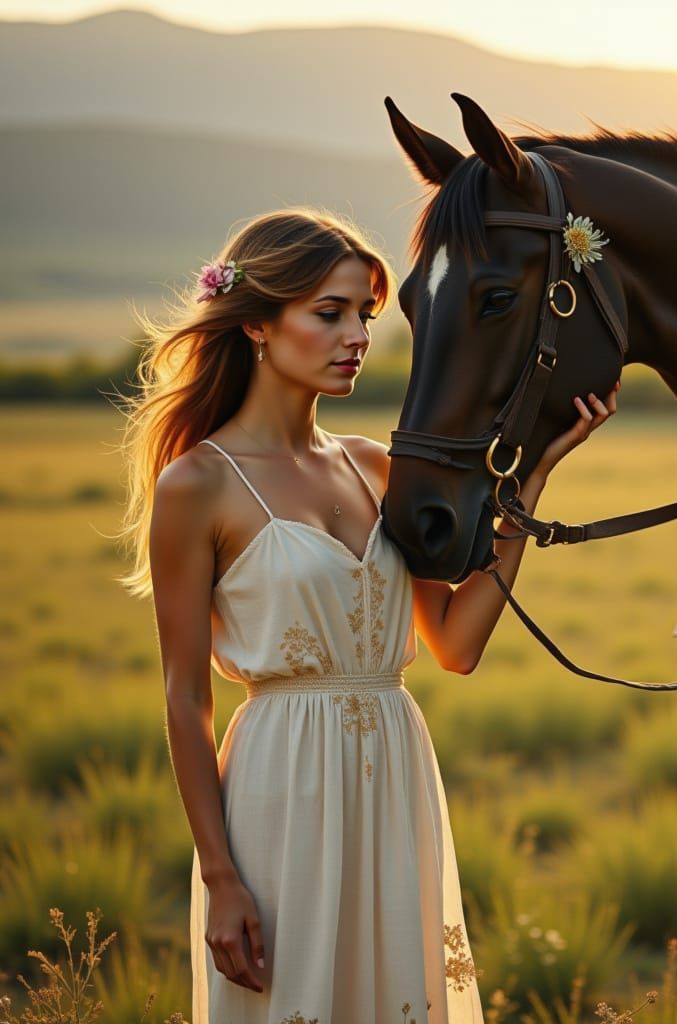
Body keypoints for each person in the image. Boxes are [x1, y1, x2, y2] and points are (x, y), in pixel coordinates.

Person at [120, 207, 616, 1024]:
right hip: (282, 789)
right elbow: (184, 696)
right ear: (257, 325)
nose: (357, 334)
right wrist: (219, 875)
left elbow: (455, 645)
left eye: (366, 315)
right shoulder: (196, 486)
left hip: (396, 775)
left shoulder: (376, 467)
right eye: (330, 312)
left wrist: (529, 487)